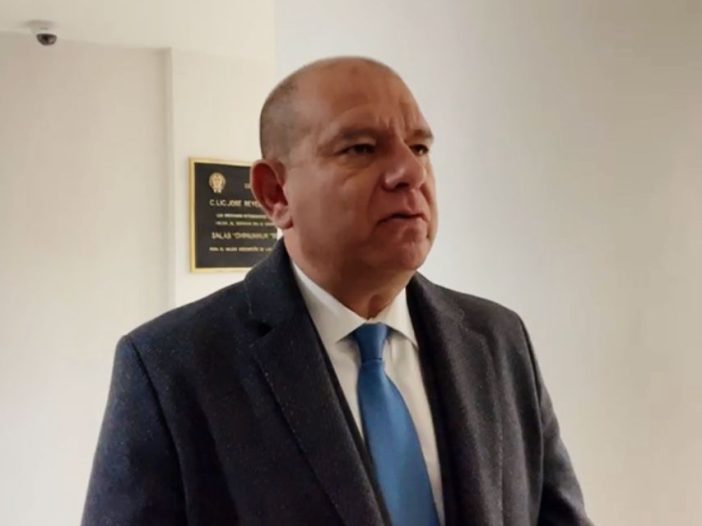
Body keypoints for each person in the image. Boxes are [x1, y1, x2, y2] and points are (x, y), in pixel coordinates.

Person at [82, 57, 592, 526]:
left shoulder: (498, 338)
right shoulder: (172, 368)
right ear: (275, 194)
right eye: (361, 148)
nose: (410, 172)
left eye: (420, 147)